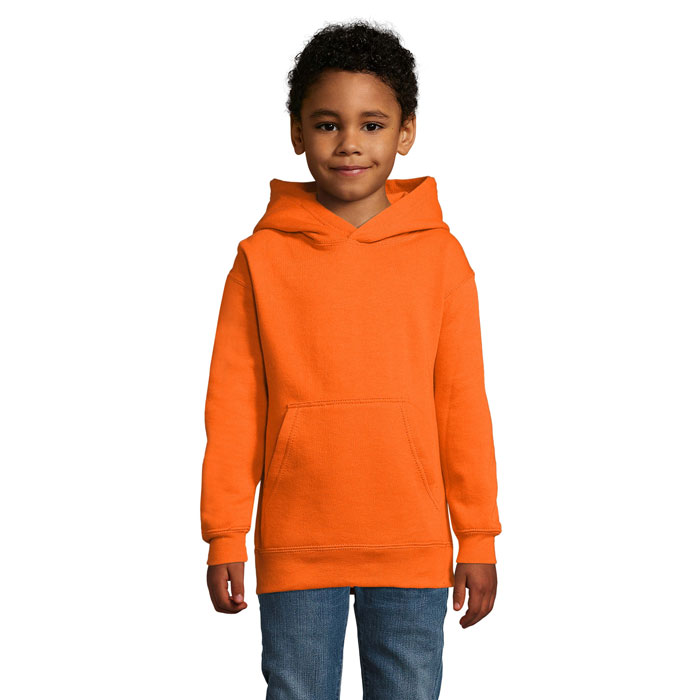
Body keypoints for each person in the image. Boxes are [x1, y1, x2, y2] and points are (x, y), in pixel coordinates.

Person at [200, 19, 502, 700]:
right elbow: (235, 406)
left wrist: (478, 536)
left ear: (406, 132)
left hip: (412, 545)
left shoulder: (441, 258)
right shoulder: (259, 260)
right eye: (327, 124)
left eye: (372, 124)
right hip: (297, 545)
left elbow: (462, 405)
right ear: (296, 132)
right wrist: (225, 535)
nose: (349, 144)